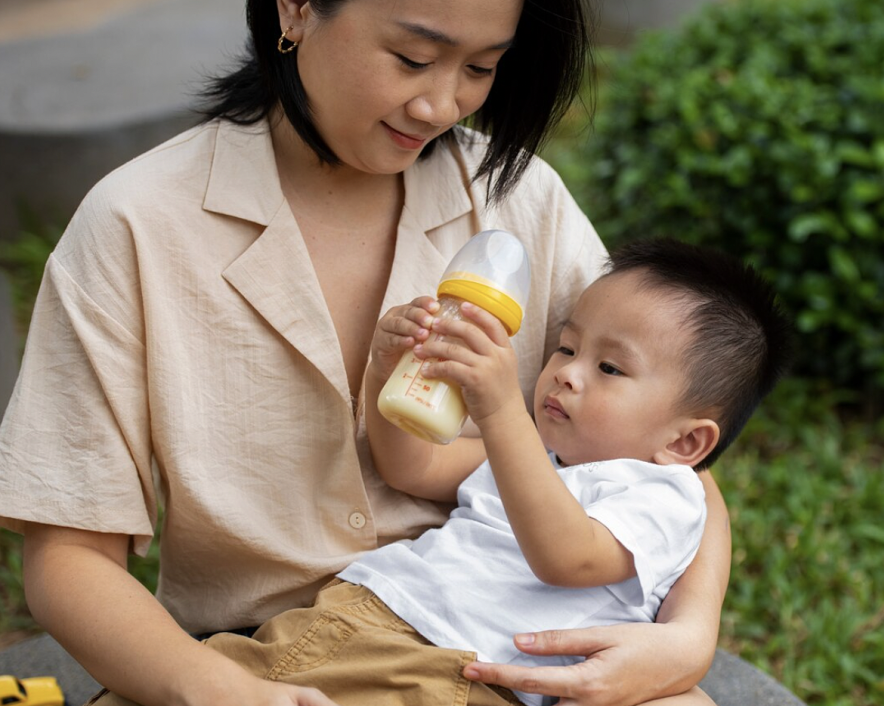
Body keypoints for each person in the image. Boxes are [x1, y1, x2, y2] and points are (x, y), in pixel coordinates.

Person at [0, 0, 734, 705]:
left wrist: (687, 637)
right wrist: (212, 687)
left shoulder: (519, 198)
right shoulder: (137, 224)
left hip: (496, 649)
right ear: (296, 1)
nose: (440, 105)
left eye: (480, 68)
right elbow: (69, 555)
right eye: (414, 58)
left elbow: (664, 449)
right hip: (257, 650)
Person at [85, 238, 794, 706]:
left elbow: (568, 555)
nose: (566, 375)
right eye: (566, 348)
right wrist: (388, 374)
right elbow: (411, 463)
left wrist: (499, 412)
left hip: (455, 672)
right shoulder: (528, 458)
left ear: (686, 440)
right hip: (358, 618)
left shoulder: (664, 496)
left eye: (608, 368)